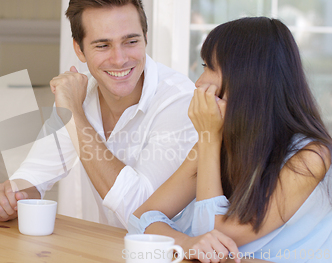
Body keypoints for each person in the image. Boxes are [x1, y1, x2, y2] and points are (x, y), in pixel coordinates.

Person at [128, 16, 332, 263]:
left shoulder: (311, 157)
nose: (199, 82)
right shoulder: (220, 138)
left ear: (247, 77)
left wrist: (208, 136)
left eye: (209, 68)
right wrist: (186, 243)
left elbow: (217, 238)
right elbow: (141, 217)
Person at [0, 0, 197, 228]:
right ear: (79, 49)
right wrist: (11, 197)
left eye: (131, 41)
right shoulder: (81, 93)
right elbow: (36, 175)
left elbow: (142, 213)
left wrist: (74, 114)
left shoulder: (180, 99)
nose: (119, 59)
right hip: (106, 249)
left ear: (145, 37)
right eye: (103, 46)